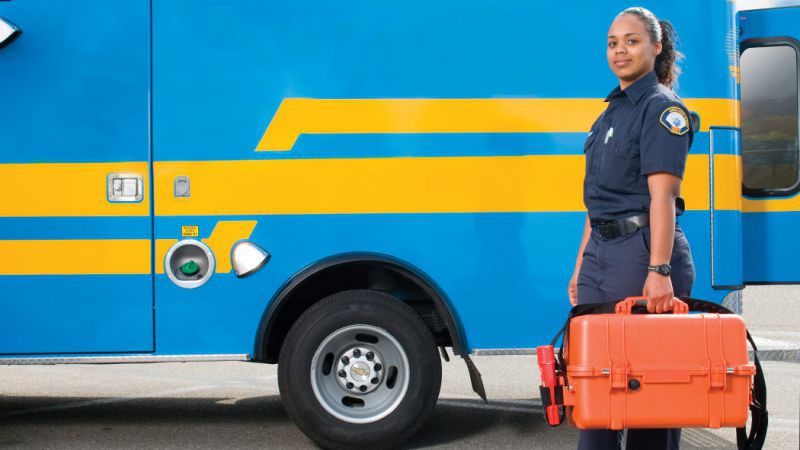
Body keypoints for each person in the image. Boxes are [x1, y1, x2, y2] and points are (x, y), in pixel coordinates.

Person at [566, 6, 696, 450]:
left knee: (649, 402)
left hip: (642, 254)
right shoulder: (609, 114)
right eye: (612, 43)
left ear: (656, 47)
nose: (620, 50)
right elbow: (596, 203)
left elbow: (663, 198)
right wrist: (581, 266)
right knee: (596, 394)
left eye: (632, 41)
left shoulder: (662, 110)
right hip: (601, 256)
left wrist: (659, 271)